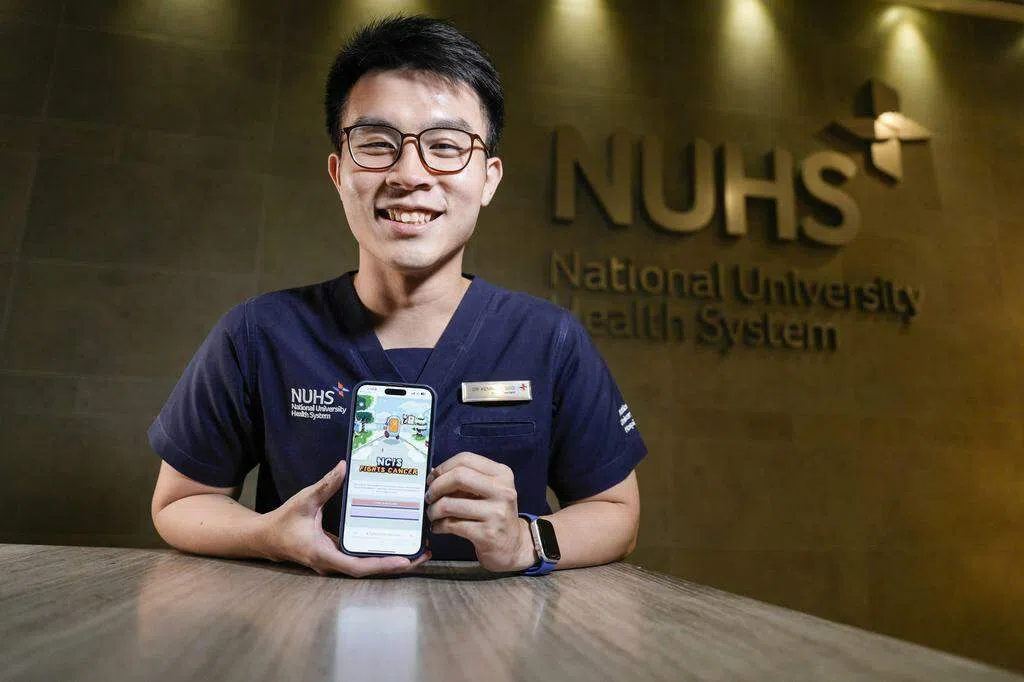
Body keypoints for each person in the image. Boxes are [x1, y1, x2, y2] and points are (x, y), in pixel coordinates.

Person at [148, 15, 646, 578]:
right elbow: (179, 502)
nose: (410, 174)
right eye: (377, 144)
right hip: (303, 628)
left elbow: (616, 512)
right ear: (338, 172)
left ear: (488, 178)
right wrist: (270, 536)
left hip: (493, 634)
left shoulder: (549, 339)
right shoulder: (258, 333)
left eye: (446, 146)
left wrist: (526, 542)